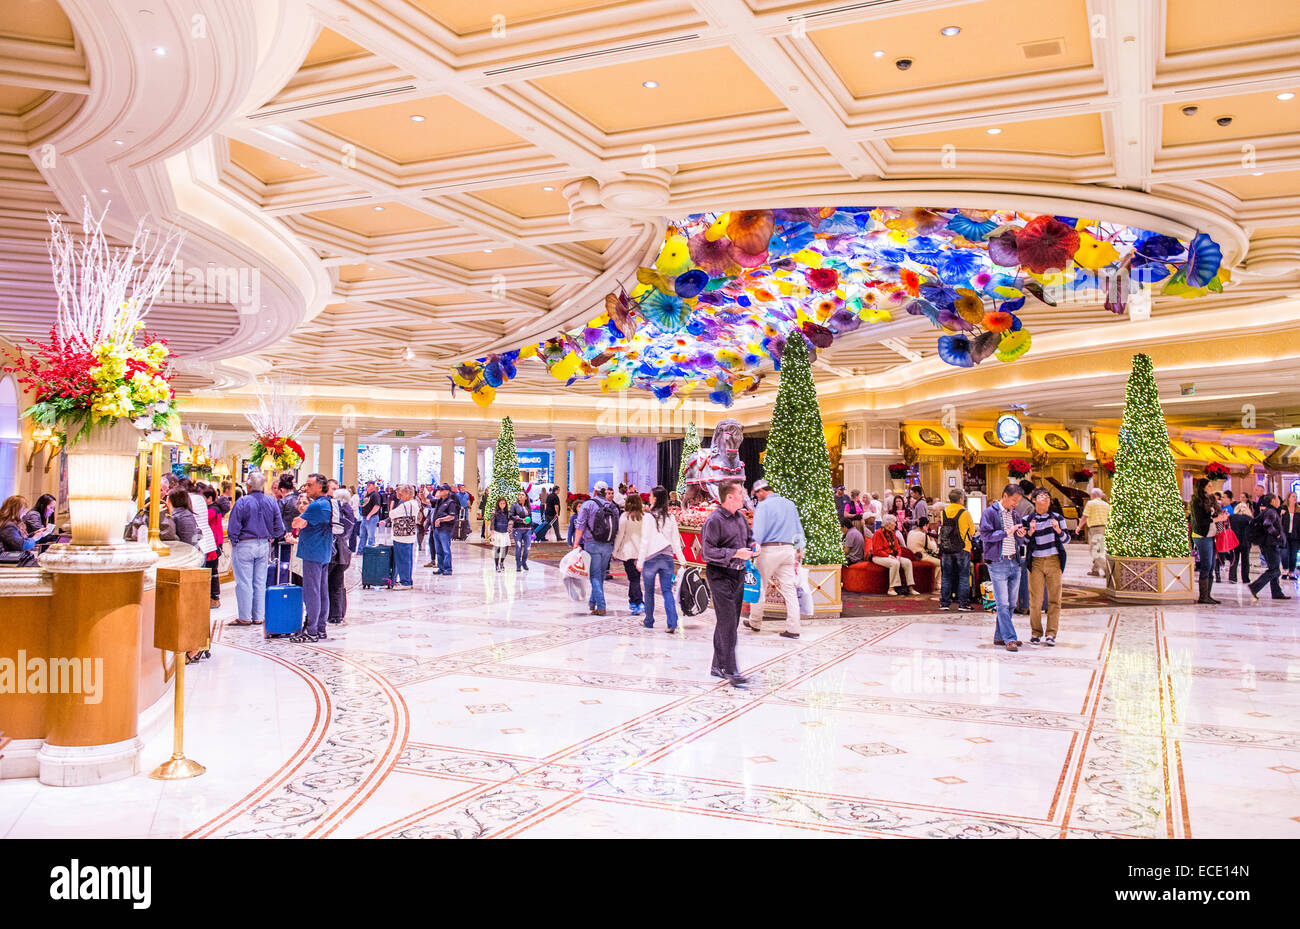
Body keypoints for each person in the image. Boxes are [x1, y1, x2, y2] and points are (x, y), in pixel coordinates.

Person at [701, 481, 755, 687]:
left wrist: (753, 546)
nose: (743, 497)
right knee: (728, 624)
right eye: (740, 493)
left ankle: (717, 665)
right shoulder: (714, 521)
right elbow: (708, 552)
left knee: (729, 620)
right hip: (719, 575)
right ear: (729, 497)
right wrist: (734, 553)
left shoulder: (740, 518)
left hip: (738, 574)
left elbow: (749, 539)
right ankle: (732, 670)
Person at [744, 478, 806, 639]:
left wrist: (753, 550)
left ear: (761, 491)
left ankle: (755, 622)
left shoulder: (763, 506)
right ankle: (794, 628)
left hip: (768, 550)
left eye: (757, 495)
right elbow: (798, 528)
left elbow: (758, 532)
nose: (757, 498)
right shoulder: (789, 504)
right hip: (787, 550)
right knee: (789, 590)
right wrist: (800, 549)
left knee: (759, 587)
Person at [225, 471, 285, 626]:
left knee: (244, 582)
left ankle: (245, 617)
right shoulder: (271, 502)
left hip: (245, 544)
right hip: (264, 544)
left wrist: (234, 541)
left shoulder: (242, 502)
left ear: (249, 486)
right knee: (260, 581)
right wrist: (271, 536)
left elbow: (233, 527)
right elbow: (280, 528)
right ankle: (258, 616)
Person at [979, 484, 1027, 652]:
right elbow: (985, 535)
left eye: (1018, 501)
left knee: (1012, 604)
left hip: (1014, 561)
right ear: (1005, 496)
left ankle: (1000, 637)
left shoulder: (1015, 515)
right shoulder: (990, 513)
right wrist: (1006, 532)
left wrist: (1022, 536)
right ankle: (1010, 638)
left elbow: (1019, 540)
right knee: (1002, 603)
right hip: (998, 563)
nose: (1015, 504)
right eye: (1014, 500)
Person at [1022, 488, 1070, 646]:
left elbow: (1067, 539)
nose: (1045, 499)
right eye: (1042, 496)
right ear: (1034, 500)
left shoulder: (1057, 518)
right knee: (1035, 600)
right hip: (1036, 562)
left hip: (1053, 560)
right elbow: (1023, 542)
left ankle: (1051, 634)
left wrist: (1058, 530)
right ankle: (1036, 632)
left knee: (1055, 599)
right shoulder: (1028, 519)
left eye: (1047, 497)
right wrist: (1030, 533)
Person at [291, 474, 333, 641]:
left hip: (312, 552)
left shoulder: (316, 506)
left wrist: (301, 518)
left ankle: (312, 630)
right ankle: (321, 628)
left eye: (309, 485)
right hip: (323, 551)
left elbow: (296, 523)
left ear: (319, 487)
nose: (306, 488)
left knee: (312, 591)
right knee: (322, 591)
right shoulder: (327, 504)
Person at [638, 486, 686, 632]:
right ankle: (672, 623)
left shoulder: (648, 518)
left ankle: (649, 620)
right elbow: (676, 541)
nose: (649, 498)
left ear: (655, 498)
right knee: (667, 591)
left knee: (649, 591)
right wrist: (683, 560)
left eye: (651, 496)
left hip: (651, 558)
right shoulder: (670, 517)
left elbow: (645, 541)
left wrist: (640, 561)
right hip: (667, 557)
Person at [572, 482, 619, 615]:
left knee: (594, 576)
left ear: (594, 491)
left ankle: (601, 606)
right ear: (605, 493)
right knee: (600, 575)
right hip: (608, 545)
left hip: (592, 544)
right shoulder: (612, 506)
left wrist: (576, 543)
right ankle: (592, 603)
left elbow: (580, 526)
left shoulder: (588, 505)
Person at [937, 488, 975, 612]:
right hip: (963, 547)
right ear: (961, 499)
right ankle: (963, 604)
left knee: (946, 576)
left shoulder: (944, 512)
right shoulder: (965, 512)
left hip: (947, 548)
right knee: (963, 576)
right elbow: (972, 530)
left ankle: (944, 603)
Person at [1248, 493, 1290, 601]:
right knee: (1275, 570)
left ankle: (1277, 592)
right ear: (1273, 501)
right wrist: (1277, 534)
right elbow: (1267, 524)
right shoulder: (1271, 511)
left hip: (1269, 544)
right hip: (1270, 544)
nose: (1279, 500)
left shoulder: (1269, 511)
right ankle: (1255, 587)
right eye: (1277, 499)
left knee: (1274, 569)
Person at [1190, 477, 1223, 605]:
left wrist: (1221, 516)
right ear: (1202, 487)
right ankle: (1203, 596)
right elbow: (1200, 521)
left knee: (1212, 566)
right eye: (1209, 486)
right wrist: (1215, 520)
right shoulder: (1197, 501)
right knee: (1206, 565)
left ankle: (1208, 595)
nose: (1211, 488)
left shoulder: (1212, 499)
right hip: (1202, 536)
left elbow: (1214, 516)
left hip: (1212, 535)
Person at [613, 492, 645, 615]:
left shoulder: (625, 516)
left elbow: (620, 535)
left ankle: (639, 602)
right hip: (640, 551)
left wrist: (615, 551)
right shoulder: (644, 517)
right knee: (635, 577)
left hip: (628, 552)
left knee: (633, 578)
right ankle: (632, 600)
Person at [871, 514, 917, 596]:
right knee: (895, 563)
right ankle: (891, 588)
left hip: (892, 555)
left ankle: (910, 587)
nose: (895, 524)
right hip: (879, 557)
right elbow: (877, 550)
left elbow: (898, 547)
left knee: (907, 562)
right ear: (888, 524)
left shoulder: (892, 533)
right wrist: (889, 556)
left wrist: (898, 556)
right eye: (894, 523)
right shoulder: (878, 533)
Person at [329, 488, 356, 624]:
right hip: (343, 549)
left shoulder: (339, 511)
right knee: (338, 584)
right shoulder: (349, 511)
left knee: (333, 583)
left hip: (336, 550)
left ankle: (334, 614)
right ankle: (338, 613)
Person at [388, 484, 419, 590]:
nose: (399, 496)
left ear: (407, 493)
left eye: (401, 494)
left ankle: (405, 582)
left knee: (402, 560)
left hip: (402, 536)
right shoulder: (413, 503)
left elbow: (392, 514)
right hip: (408, 536)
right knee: (407, 559)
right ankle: (407, 580)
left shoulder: (406, 505)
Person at [201, 486, 225, 609]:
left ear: (209, 498)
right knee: (212, 571)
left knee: (212, 571)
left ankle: (214, 597)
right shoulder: (215, 509)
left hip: (212, 544)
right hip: (214, 543)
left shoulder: (211, 510)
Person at [1078, 488, 1111, 577]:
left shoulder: (1091, 503)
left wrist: (1079, 527)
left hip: (1095, 529)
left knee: (1095, 552)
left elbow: (1085, 516)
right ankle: (1095, 570)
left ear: (1093, 495)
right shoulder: (1106, 505)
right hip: (1104, 528)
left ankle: (1107, 571)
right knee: (1099, 549)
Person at [429, 484, 457, 574]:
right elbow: (427, 501)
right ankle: (441, 568)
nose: (440, 491)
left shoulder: (450, 502)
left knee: (445, 550)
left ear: (447, 492)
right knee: (438, 550)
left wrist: (441, 519)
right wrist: (422, 494)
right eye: (439, 490)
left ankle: (448, 569)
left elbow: (452, 516)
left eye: (442, 490)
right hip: (436, 529)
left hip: (445, 529)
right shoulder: (438, 501)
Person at [1228, 491, 1254, 584]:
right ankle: (1245, 578)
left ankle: (1232, 577)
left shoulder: (1232, 518)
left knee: (1234, 559)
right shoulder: (1249, 519)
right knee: (1245, 561)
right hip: (1245, 542)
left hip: (1234, 541)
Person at [356, 480, 384, 553]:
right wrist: (363, 496)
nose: (367, 486)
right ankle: (360, 551)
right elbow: (360, 504)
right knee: (362, 536)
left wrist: (370, 514)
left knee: (371, 536)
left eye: (369, 485)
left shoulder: (375, 495)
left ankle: (370, 552)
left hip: (372, 518)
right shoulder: (366, 495)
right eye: (367, 485)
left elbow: (377, 506)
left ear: (373, 486)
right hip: (364, 517)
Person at [510, 490, 534, 571]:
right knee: (518, 547)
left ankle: (524, 562)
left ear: (526, 497)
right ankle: (518, 564)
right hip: (518, 529)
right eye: (519, 494)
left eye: (522, 495)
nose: (520, 496)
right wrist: (520, 520)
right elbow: (511, 516)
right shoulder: (514, 506)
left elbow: (531, 519)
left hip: (527, 530)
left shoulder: (528, 507)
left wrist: (532, 530)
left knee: (527, 548)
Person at [1280, 492, 1300, 581]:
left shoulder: (1298, 510)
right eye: (1293, 496)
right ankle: (1285, 570)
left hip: (1296, 536)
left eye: (1296, 497)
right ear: (1288, 498)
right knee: (1284, 553)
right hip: (1285, 535)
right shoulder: (1283, 509)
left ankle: (1291, 572)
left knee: (1293, 555)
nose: (1295, 498)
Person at [490, 496, 512, 572]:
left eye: (504, 503)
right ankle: (496, 565)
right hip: (497, 532)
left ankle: (502, 562)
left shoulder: (507, 512)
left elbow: (510, 520)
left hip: (505, 533)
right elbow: (492, 522)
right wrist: (492, 531)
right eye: (501, 503)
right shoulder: (494, 511)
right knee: (497, 549)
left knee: (505, 549)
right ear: (498, 504)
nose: (502, 504)